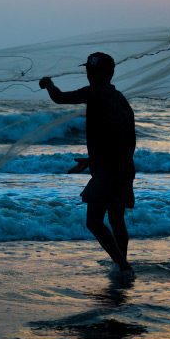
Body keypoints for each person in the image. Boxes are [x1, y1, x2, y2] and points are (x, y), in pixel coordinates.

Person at [39, 52, 136, 272]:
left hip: (109, 171)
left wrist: (49, 84)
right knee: (116, 219)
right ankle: (121, 263)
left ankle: (122, 265)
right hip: (123, 168)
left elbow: (60, 98)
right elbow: (125, 138)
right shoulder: (119, 98)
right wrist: (93, 160)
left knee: (93, 221)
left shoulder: (94, 93)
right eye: (88, 71)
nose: (88, 74)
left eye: (91, 71)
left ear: (105, 73)